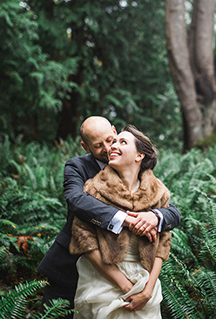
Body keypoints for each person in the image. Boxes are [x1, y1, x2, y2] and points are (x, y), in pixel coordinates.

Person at [37, 117, 180, 317]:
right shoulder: (78, 168)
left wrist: (155, 216)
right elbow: (76, 199)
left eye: (110, 139)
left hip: (130, 270)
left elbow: (171, 211)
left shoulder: (138, 169)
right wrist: (125, 219)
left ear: (114, 131)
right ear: (85, 147)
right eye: (98, 145)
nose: (108, 147)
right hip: (72, 263)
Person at [69, 125, 170, 318]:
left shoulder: (158, 192)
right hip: (102, 280)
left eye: (121, 142)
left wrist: (147, 291)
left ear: (139, 156)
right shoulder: (93, 188)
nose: (112, 147)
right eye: (114, 142)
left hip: (145, 281)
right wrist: (124, 284)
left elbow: (163, 243)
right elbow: (84, 239)